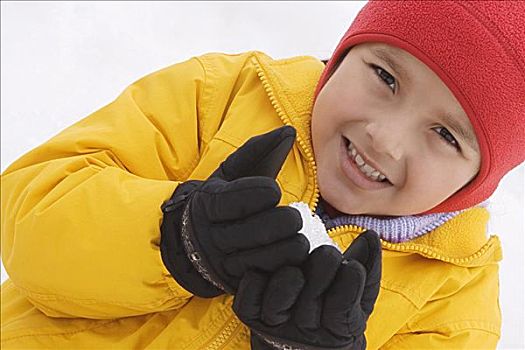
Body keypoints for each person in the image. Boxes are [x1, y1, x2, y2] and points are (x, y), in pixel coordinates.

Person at [1, 1, 524, 349]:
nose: (384, 139)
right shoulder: (219, 96)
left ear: (480, 177)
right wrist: (178, 239)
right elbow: (29, 215)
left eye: (446, 135)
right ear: (342, 55)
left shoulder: (454, 306)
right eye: (385, 76)